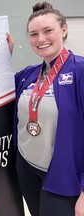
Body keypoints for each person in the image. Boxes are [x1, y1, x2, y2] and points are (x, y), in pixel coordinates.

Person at [13, 1, 84, 215]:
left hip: (64, 177)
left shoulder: (80, 71)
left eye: (47, 31)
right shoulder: (27, 75)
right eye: (34, 34)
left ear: (63, 30)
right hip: (27, 169)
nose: (41, 39)